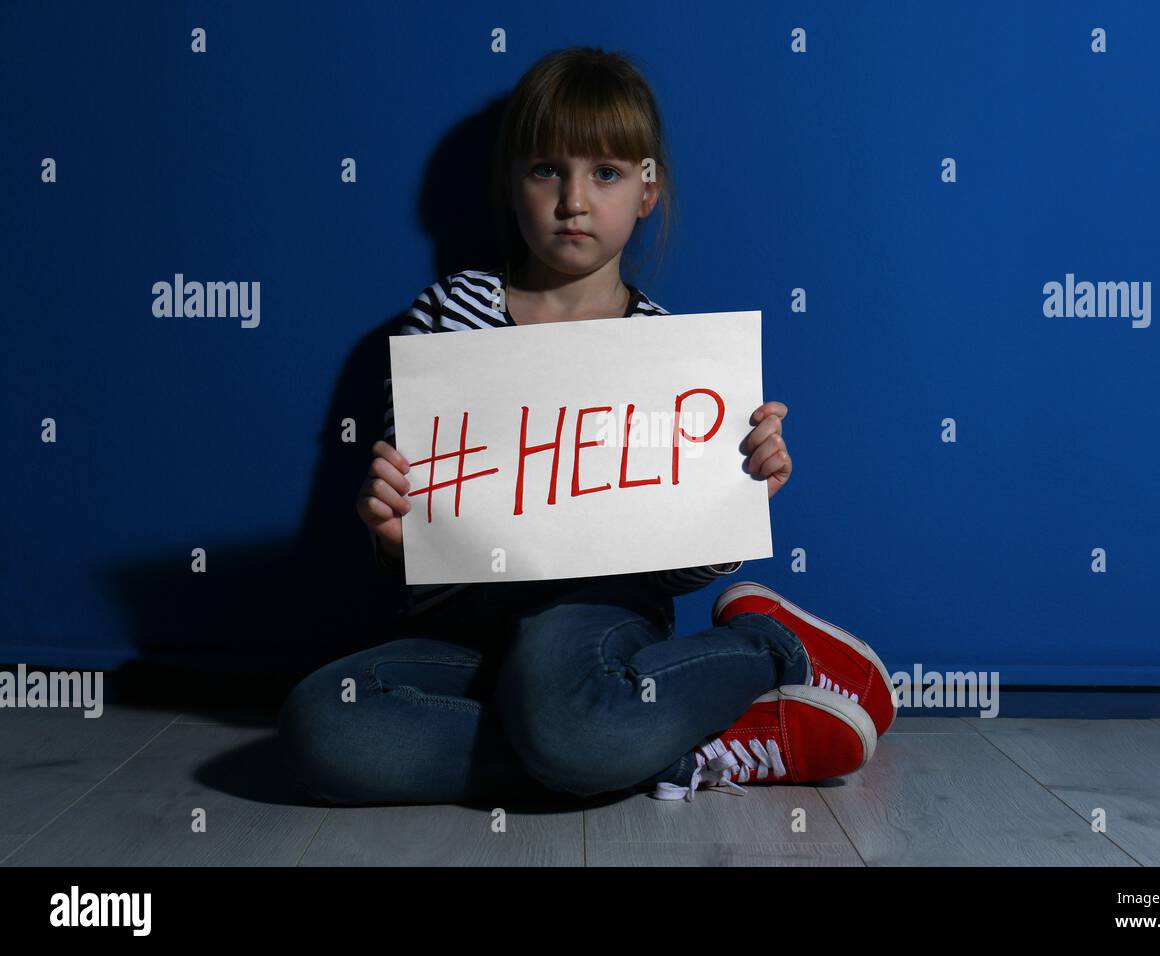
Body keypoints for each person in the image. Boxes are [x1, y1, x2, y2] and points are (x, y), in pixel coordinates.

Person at [277, 46, 897, 807]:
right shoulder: (450, 314)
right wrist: (388, 529)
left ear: (646, 192)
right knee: (323, 725)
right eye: (547, 170)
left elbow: (672, 568)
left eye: (605, 173)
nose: (574, 198)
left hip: (593, 625)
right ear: (513, 186)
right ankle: (647, 743)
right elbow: (414, 526)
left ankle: (772, 649)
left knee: (567, 705)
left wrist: (737, 497)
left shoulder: (670, 353)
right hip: (466, 635)